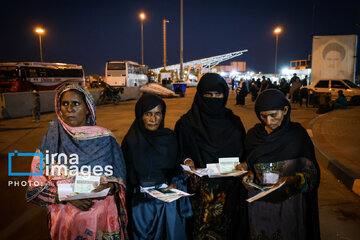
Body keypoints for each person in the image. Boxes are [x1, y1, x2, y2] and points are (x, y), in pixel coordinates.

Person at [26, 85, 128, 240]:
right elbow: (35, 186)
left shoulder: (105, 138)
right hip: (66, 222)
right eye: (64, 104)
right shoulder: (51, 140)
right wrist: (69, 197)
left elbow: (119, 177)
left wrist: (110, 186)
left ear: (87, 109)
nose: (69, 109)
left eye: (76, 104)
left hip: (101, 221)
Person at [175, 73, 248, 240]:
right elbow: (179, 152)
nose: (213, 98)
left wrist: (245, 164)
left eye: (218, 94)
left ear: (224, 95)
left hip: (230, 193)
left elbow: (245, 152)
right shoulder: (186, 123)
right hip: (200, 196)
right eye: (208, 94)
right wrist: (187, 162)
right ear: (200, 95)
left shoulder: (234, 122)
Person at [241, 89, 320, 240]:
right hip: (259, 205)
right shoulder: (254, 135)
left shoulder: (298, 135)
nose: (269, 121)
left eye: (273, 115)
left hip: (290, 206)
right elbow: (249, 164)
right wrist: (248, 175)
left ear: (285, 110)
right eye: (263, 116)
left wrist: (296, 180)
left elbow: (313, 174)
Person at [121, 94, 192, 240]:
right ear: (140, 115)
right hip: (140, 206)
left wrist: (175, 182)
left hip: (167, 203)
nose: (153, 119)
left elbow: (178, 168)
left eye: (157, 114)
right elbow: (124, 174)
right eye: (148, 114)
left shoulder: (170, 138)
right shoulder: (131, 141)